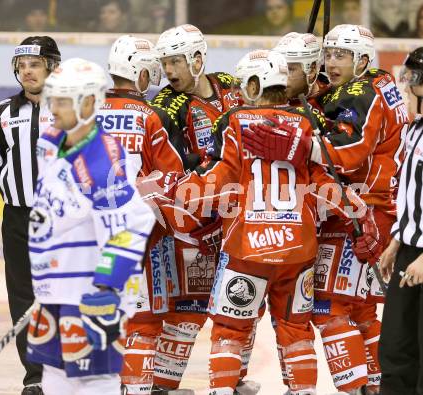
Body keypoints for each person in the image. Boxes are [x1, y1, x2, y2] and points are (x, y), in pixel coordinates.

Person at [144, 48, 378, 395]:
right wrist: (359, 215)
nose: (238, 92)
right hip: (298, 250)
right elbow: (327, 180)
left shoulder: (233, 121)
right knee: (295, 329)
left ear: (256, 84)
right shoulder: (305, 123)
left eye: (243, 85)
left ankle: (222, 391)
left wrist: (174, 192)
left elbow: (216, 180)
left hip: (246, 250)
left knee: (230, 329)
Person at [245, 24, 408, 394]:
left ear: (362, 60)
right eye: (329, 54)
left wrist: (298, 141)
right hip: (370, 207)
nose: (332, 63)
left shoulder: (358, 95)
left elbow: (346, 153)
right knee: (360, 307)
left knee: (327, 306)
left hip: (362, 210)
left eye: (342, 56)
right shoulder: (377, 81)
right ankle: (378, 384)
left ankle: (355, 388)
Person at [24, 57, 155, 395]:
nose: (54, 107)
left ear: (90, 103)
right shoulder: (51, 143)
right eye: (53, 98)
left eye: (63, 100)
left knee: (95, 379)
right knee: (54, 375)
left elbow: (130, 225)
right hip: (57, 288)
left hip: (89, 294)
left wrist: (106, 291)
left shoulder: (103, 160)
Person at [148, 24, 260, 395]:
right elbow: (171, 162)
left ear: (197, 59)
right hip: (194, 221)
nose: (170, 71)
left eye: (177, 61)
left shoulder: (229, 82)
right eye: (165, 64)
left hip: (238, 216)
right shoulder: (166, 104)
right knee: (191, 307)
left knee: (245, 301)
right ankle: (162, 385)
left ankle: (236, 378)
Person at [96, 35, 190, 395]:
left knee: (96, 318)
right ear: (141, 72)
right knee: (143, 322)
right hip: (140, 239)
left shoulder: (86, 111)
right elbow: (171, 179)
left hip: (92, 237)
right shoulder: (151, 117)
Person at [0, 35, 61, 395]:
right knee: (23, 299)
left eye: (34, 64)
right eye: (21, 66)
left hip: (63, 220)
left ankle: (69, 372)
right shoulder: (3, 113)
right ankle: (35, 377)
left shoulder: (69, 109)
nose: (26, 72)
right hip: (17, 218)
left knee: (65, 295)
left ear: (52, 67)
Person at [378, 46, 423, 395]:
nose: (406, 89)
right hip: (410, 250)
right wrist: (396, 240)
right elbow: (410, 195)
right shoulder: (413, 132)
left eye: (414, 83)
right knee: (395, 346)